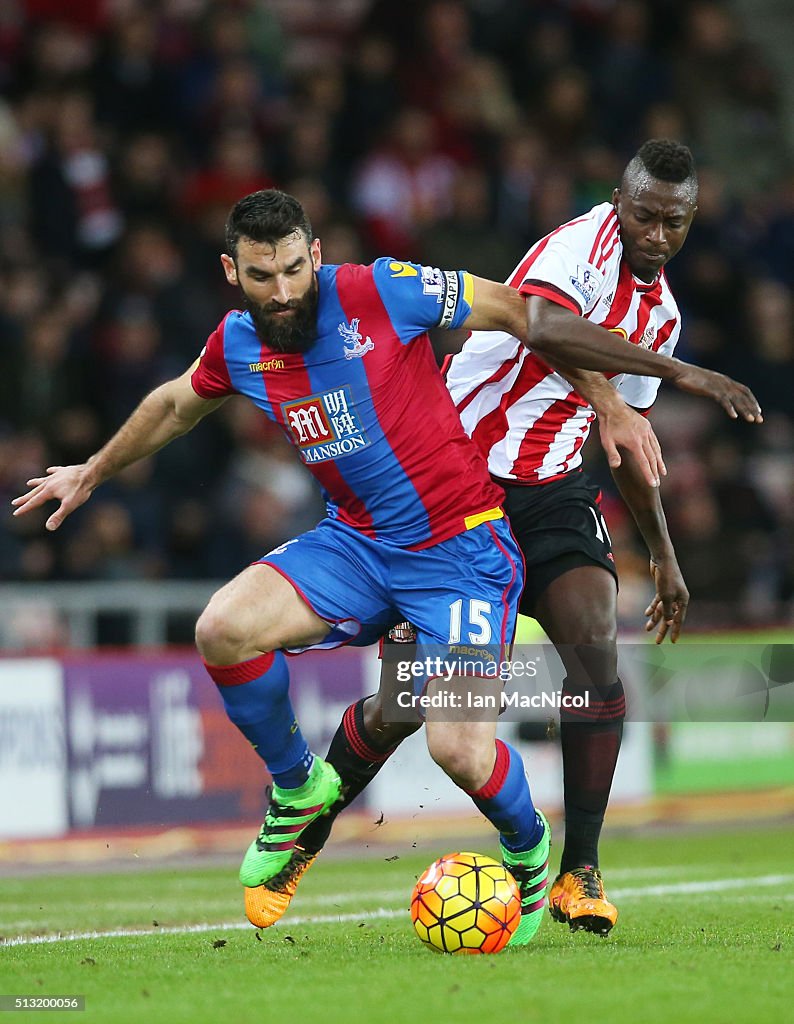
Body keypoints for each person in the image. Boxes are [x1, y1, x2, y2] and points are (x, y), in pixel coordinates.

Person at [12, 188, 674, 947]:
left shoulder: (381, 289)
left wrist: (644, 380)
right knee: (222, 629)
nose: (284, 290)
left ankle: (529, 853)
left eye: (295, 268)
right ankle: (298, 787)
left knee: (454, 747)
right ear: (233, 272)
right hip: (357, 544)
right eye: (263, 276)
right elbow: (171, 406)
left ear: (316, 255)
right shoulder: (237, 345)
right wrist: (91, 473)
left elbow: (522, 312)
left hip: (461, 549)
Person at [273, 140, 763, 936]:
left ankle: (582, 875)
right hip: (459, 490)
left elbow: (626, 444)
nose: (656, 232)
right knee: (409, 705)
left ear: (691, 220)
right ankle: (302, 839)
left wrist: (665, 555)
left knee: (595, 650)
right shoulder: (579, 249)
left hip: (555, 491)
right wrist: (677, 381)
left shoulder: (662, 316)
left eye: (673, 221)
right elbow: (546, 329)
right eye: (643, 214)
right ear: (618, 201)